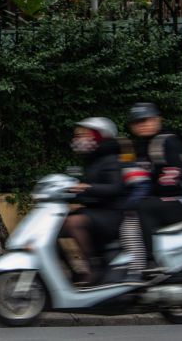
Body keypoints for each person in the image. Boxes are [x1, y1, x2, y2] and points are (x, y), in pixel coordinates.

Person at [127, 102, 182, 268]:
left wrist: (147, 188)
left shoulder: (168, 142)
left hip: (180, 201)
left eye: (147, 120)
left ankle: (151, 262)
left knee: (143, 206)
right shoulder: (140, 146)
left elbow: (172, 180)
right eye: (138, 122)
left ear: (158, 119)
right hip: (160, 202)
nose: (143, 125)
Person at [60, 117, 124, 285]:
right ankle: (73, 273)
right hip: (94, 212)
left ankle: (94, 266)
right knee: (54, 226)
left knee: (74, 222)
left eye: (84, 135)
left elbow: (115, 188)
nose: (78, 140)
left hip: (111, 214)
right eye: (77, 136)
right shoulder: (91, 161)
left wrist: (87, 188)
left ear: (99, 136)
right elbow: (83, 191)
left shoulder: (112, 159)